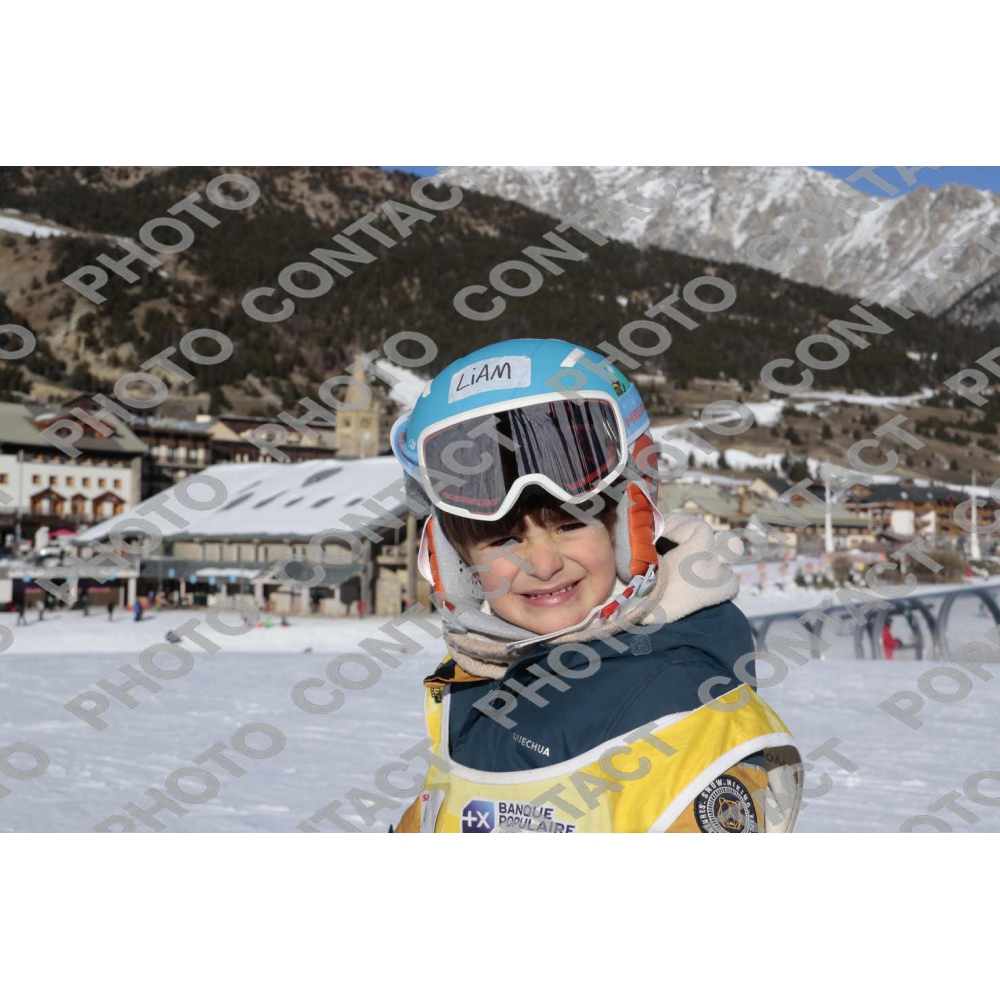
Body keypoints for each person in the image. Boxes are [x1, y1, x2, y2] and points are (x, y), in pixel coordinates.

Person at [388, 339, 803, 834]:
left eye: (570, 526)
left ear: (629, 528)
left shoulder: (689, 717)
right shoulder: (472, 689)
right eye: (503, 541)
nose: (543, 565)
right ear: (457, 565)